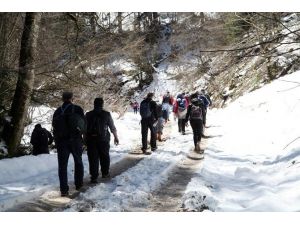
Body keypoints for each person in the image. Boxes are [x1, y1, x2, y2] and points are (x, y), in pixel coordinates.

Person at [52, 91, 85, 197]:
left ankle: (64, 190)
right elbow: (84, 125)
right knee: (78, 162)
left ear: (62, 99)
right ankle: (79, 185)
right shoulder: (78, 109)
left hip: (62, 142)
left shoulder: (57, 111)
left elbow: (54, 127)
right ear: (72, 98)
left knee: (62, 166)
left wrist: (57, 141)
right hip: (75, 140)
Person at [85, 98, 119, 183]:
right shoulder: (106, 114)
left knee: (93, 158)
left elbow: (84, 128)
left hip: (91, 139)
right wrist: (116, 137)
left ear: (94, 104)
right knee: (104, 156)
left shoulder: (88, 114)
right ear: (102, 104)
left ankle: (94, 177)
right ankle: (105, 173)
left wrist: (84, 139)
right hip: (103, 139)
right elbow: (112, 127)